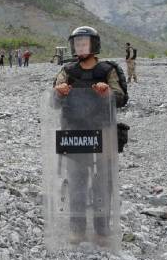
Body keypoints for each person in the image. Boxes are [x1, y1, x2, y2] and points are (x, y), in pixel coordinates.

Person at [53, 26, 125, 238]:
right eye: (77, 43)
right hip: (75, 131)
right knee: (76, 180)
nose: (80, 46)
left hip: (102, 130)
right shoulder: (67, 70)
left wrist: (107, 92)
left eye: (84, 43)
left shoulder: (108, 69)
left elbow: (120, 97)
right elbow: (54, 100)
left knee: (104, 180)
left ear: (94, 45)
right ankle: (77, 228)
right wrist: (60, 92)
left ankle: (103, 229)